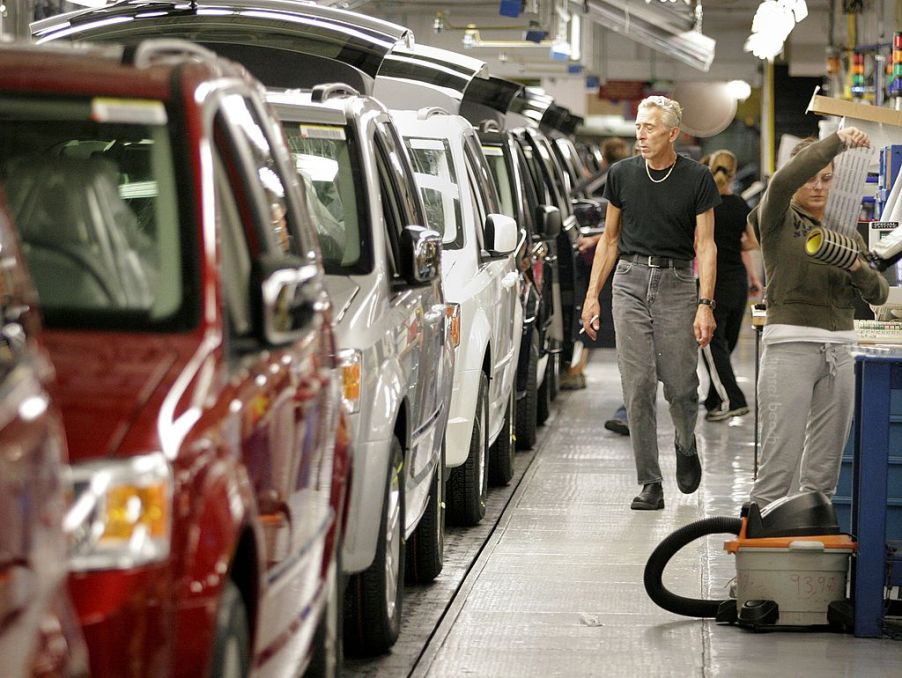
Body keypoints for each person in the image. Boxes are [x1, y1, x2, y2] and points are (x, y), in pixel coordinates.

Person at [581, 95, 720, 511]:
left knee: (681, 387)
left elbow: (706, 245)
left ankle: (685, 441)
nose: (641, 134)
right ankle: (650, 483)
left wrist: (705, 303)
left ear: (672, 133)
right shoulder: (621, 175)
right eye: (638, 126)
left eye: (650, 128)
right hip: (629, 280)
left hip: (678, 281)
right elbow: (608, 240)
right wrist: (592, 296)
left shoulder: (697, 179)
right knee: (637, 385)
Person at [749, 128, 888, 507]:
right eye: (810, 178)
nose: (817, 186)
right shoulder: (776, 217)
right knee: (780, 456)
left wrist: (857, 265)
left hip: (840, 350)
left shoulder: (845, 232)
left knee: (824, 468)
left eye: (827, 178)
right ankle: (760, 545)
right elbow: (782, 180)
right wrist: (837, 141)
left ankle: (813, 545)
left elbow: (878, 292)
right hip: (789, 345)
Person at [562, 137, 631, 392]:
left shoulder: (601, 182)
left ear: (603, 156)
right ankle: (578, 368)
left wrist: (593, 239)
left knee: (592, 315)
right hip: (625, 261)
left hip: (605, 260)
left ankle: (576, 368)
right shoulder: (626, 179)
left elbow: (614, 229)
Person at [699, 149, 761, 422]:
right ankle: (714, 399)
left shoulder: (704, 207)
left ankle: (734, 398)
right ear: (733, 174)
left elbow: (696, 245)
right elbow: (754, 242)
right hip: (737, 284)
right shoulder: (740, 206)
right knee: (725, 346)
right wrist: (736, 246)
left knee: (712, 346)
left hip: (714, 284)